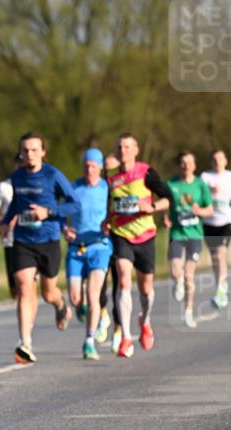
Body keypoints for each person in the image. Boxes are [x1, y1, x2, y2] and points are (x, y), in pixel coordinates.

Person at [0, 131, 80, 364]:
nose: (29, 154)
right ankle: (25, 343)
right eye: (25, 150)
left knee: (48, 292)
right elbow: (16, 203)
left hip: (49, 240)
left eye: (34, 150)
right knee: (25, 288)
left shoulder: (53, 175)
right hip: (23, 241)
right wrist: (6, 222)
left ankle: (60, 304)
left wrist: (49, 212)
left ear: (43, 152)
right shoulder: (17, 177)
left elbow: (75, 204)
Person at [105, 133, 173, 358]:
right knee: (123, 276)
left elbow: (168, 198)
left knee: (146, 289)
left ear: (136, 150)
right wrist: (106, 220)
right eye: (119, 147)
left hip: (145, 235)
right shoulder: (111, 176)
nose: (123, 151)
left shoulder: (146, 172)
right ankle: (126, 337)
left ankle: (145, 320)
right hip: (121, 234)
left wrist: (152, 207)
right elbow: (108, 203)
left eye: (127, 147)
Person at [65, 148, 112, 360]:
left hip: (99, 246)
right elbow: (60, 212)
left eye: (93, 166)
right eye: (86, 166)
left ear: (100, 167)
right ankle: (84, 310)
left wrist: (111, 225)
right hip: (76, 248)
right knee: (76, 299)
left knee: (93, 295)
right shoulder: (73, 188)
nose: (89, 170)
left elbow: (116, 210)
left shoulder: (108, 188)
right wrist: (64, 229)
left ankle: (90, 341)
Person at [166, 151, 214, 328]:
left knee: (188, 274)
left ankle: (188, 311)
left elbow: (210, 209)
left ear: (194, 165)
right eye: (183, 163)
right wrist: (165, 217)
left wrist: (199, 211)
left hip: (194, 234)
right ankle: (177, 282)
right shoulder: (171, 184)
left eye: (190, 163)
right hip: (177, 234)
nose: (186, 166)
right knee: (175, 271)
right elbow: (165, 204)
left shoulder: (200, 185)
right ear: (179, 165)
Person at [199, 149, 231, 310]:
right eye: (214, 159)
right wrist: (209, 192)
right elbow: (198, 197)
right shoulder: (205, 177)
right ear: (211, 162)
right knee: (215, 257)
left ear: (225, 161)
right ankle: (220, 286)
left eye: (220, 159)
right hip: (209, 222)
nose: (218, 162)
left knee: (221, 254)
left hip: (226, 221)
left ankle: (221, 290)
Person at [0, 155, 20, 299]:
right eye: (19, 163)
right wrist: (5, 221)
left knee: (28, 285)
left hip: (34, 240)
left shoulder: (38, 184)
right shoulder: (4, 187)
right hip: (11, 240)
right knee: (15, 291)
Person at [103, 153, 122, 352]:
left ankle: (118, 329)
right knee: (97, 283)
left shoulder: (124, 187)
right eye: (105, 171)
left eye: (113, 170)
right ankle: (102, 313)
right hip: (101, 241)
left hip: (120, 239)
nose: (109, 175)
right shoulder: (99, 188)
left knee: (119, 285)